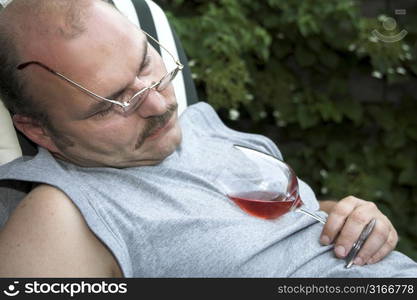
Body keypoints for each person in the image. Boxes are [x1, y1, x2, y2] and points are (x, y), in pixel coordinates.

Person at [0, 0, 415, 277]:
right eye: (111, 104)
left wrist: (349, 219)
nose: (158, 105)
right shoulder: (64, 213)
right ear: (37, 131)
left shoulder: (199, 124)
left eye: (147, 64)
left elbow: (273, 224)